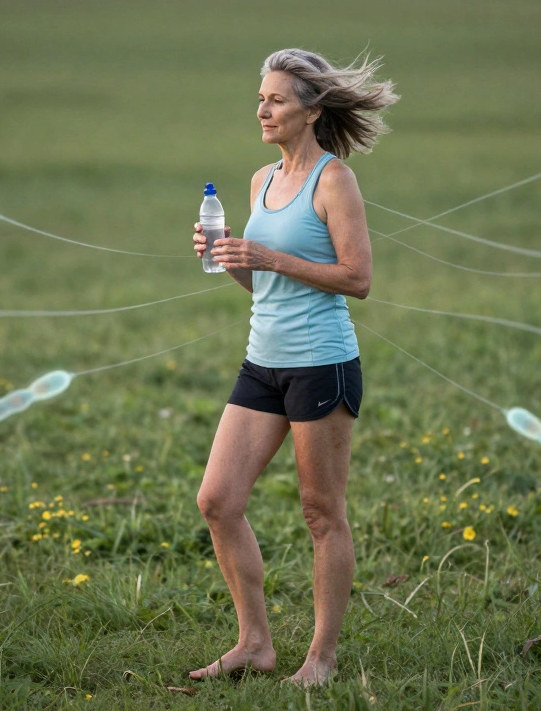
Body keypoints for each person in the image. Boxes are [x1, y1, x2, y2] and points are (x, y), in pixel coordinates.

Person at [188, 48, 398, 686]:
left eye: (276, 99)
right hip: (263, 362)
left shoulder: (334, 181)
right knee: (219, 500)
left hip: (321, 364)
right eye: (261, 97)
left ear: (311, 109)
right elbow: (263, 288)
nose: (263, 108)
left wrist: (272, 259)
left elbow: (357, 279)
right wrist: (232, 259)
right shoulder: (260, 182)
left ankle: (322, 658)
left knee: (320, 513)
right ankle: (255, 644)